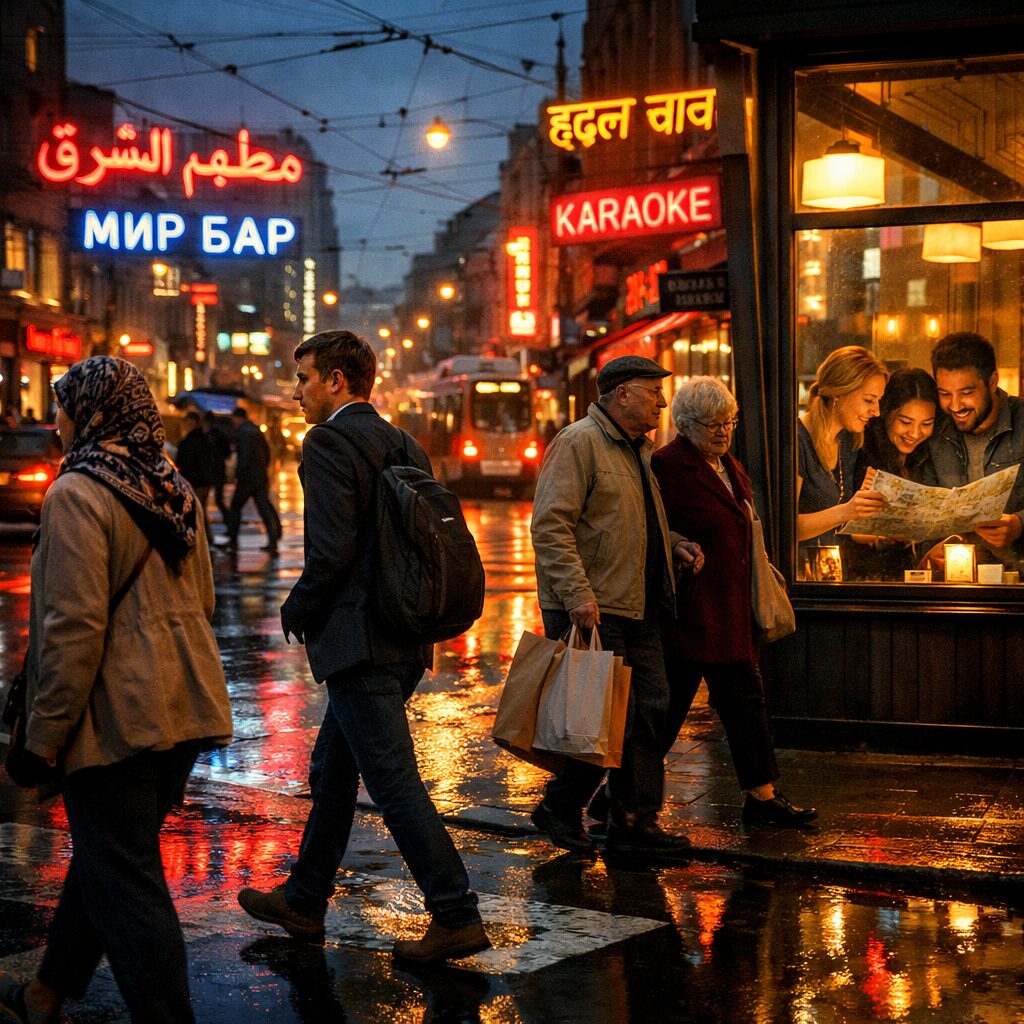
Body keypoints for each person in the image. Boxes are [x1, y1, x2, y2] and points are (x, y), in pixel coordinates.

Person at [237, 330, 489, 964]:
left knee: (394, 782)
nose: (295, 392)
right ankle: (304, 898)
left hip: (358, 640)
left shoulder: (327, 441)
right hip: (404, 635)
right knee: (332, 771)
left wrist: (299, 605)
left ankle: (455, 912)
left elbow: (332, 550)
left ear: (337, 381)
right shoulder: (402, 440)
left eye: (303, 378)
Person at [0, 356, 232, 1024]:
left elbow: (71, 631)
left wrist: (41, 741)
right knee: (111, 857)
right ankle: (46, 993)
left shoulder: (77, 493)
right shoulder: (172, 484)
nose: (55, 421)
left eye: (62, 407)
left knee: (125, 879)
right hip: (185, 707)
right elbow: (205, 598)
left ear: (92, 412)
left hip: (117, 717)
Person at [529, 355, 703, 857]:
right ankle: (564, 808)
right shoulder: (579, 442)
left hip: (636, 602)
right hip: (595, 605)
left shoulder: (637, 450)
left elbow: (629, 521)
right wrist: (577, 594)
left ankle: (633, 821)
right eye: (653, 392)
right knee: (601, 719)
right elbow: (551, 526)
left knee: (649, 710)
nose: (662, 403)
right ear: (622, 393)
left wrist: (672, 544)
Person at [652, 377, 817, 827]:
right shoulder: (666, 466)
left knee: (746, 703)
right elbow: (650, 528)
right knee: (664, 715)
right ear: (685, 425)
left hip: (731, 608)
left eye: (729, 422)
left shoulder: (729, 463)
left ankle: (761, 797)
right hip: (693, 611)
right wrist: (678, 544)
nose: (723, 432)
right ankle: (616, 796)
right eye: (712, 424)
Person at [924, 332, 1024, 556]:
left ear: (992, 382)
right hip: (953, 580)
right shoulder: (935, 434)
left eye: (967, 393)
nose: (955, 405)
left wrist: (1019, 523)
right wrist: (930, 552)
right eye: (945, 394)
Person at [797, 345, 889, 579]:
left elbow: (842, 521)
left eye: (878, 400)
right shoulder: (796, 441)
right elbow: (785, 527)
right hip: (800, 578)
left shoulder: (848, 442)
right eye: (869, 400)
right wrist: (847, 511)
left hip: (834, 574)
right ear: (837, 392)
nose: (876, 411)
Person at [846, 368, 940, 580]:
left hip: (912, 577)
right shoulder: (862, 453)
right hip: (866, 579)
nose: (915, 434)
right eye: (905, 422)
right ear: (886, 412)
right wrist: (881, 533)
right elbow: (848, 528)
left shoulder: (927, 456)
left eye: (926, 424)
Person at [220, 405, 282, 554]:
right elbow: (267, 453)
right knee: (264, 508)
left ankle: (233, 541)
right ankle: (273, 541)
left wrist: (238, 475)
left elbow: (244, 457)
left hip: (248, 478)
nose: (233, 423)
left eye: (234, 419)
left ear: (238, 418)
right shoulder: (256, 430)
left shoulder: (243, 433)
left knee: (235, 507)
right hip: (259, 476)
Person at [174, 409, 216, 533]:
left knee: (195, 511)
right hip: (204, 481)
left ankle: (203, 537)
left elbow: (180, 462)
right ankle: (207, 537)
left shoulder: (187, 442)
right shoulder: (206, 439)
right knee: (200, 509)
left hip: (193, 481)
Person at [202, 410, 232, 528]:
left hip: (210, 471)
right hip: (218, 471)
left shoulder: (206, 436)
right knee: (219, 500)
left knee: (206, 501)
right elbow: (227, 453)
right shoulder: (220, 435)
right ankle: (229, 524)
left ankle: (227, 524)